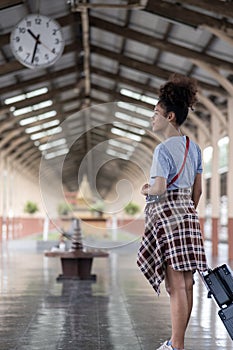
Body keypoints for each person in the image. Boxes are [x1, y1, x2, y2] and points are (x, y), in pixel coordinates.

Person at [137, 74, 208, 350]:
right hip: (188, 216)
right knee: (186, 285)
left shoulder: (162, 149)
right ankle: (177, 341)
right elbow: (198, 191)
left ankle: (176, 345)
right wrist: (187, 213)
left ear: (169, 116)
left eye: (155, 113)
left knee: (175, 286)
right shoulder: (195, 148)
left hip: (167, 217)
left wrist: (145, 189)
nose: (152, 118)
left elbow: (159, 187)